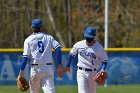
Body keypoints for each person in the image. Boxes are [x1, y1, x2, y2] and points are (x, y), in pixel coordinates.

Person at [18, 19, 63, 93]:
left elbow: (25, 58)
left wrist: (21, 72)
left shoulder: (28, 40)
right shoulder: (49, 37)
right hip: (47, 68)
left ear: (32, 27)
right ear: (41, 27)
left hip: (35, 69)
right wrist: (59, 64)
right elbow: (58, 49)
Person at [64, 26, 108, 93]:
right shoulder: (79, 44)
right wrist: (68, 65)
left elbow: (104, 60)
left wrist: (103, 69)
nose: (88, 39)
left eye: (90, 37)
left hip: (93, 73)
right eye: (87, 37)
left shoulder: (99, 47)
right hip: (81, 72)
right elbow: (71, 54)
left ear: (94, 36)